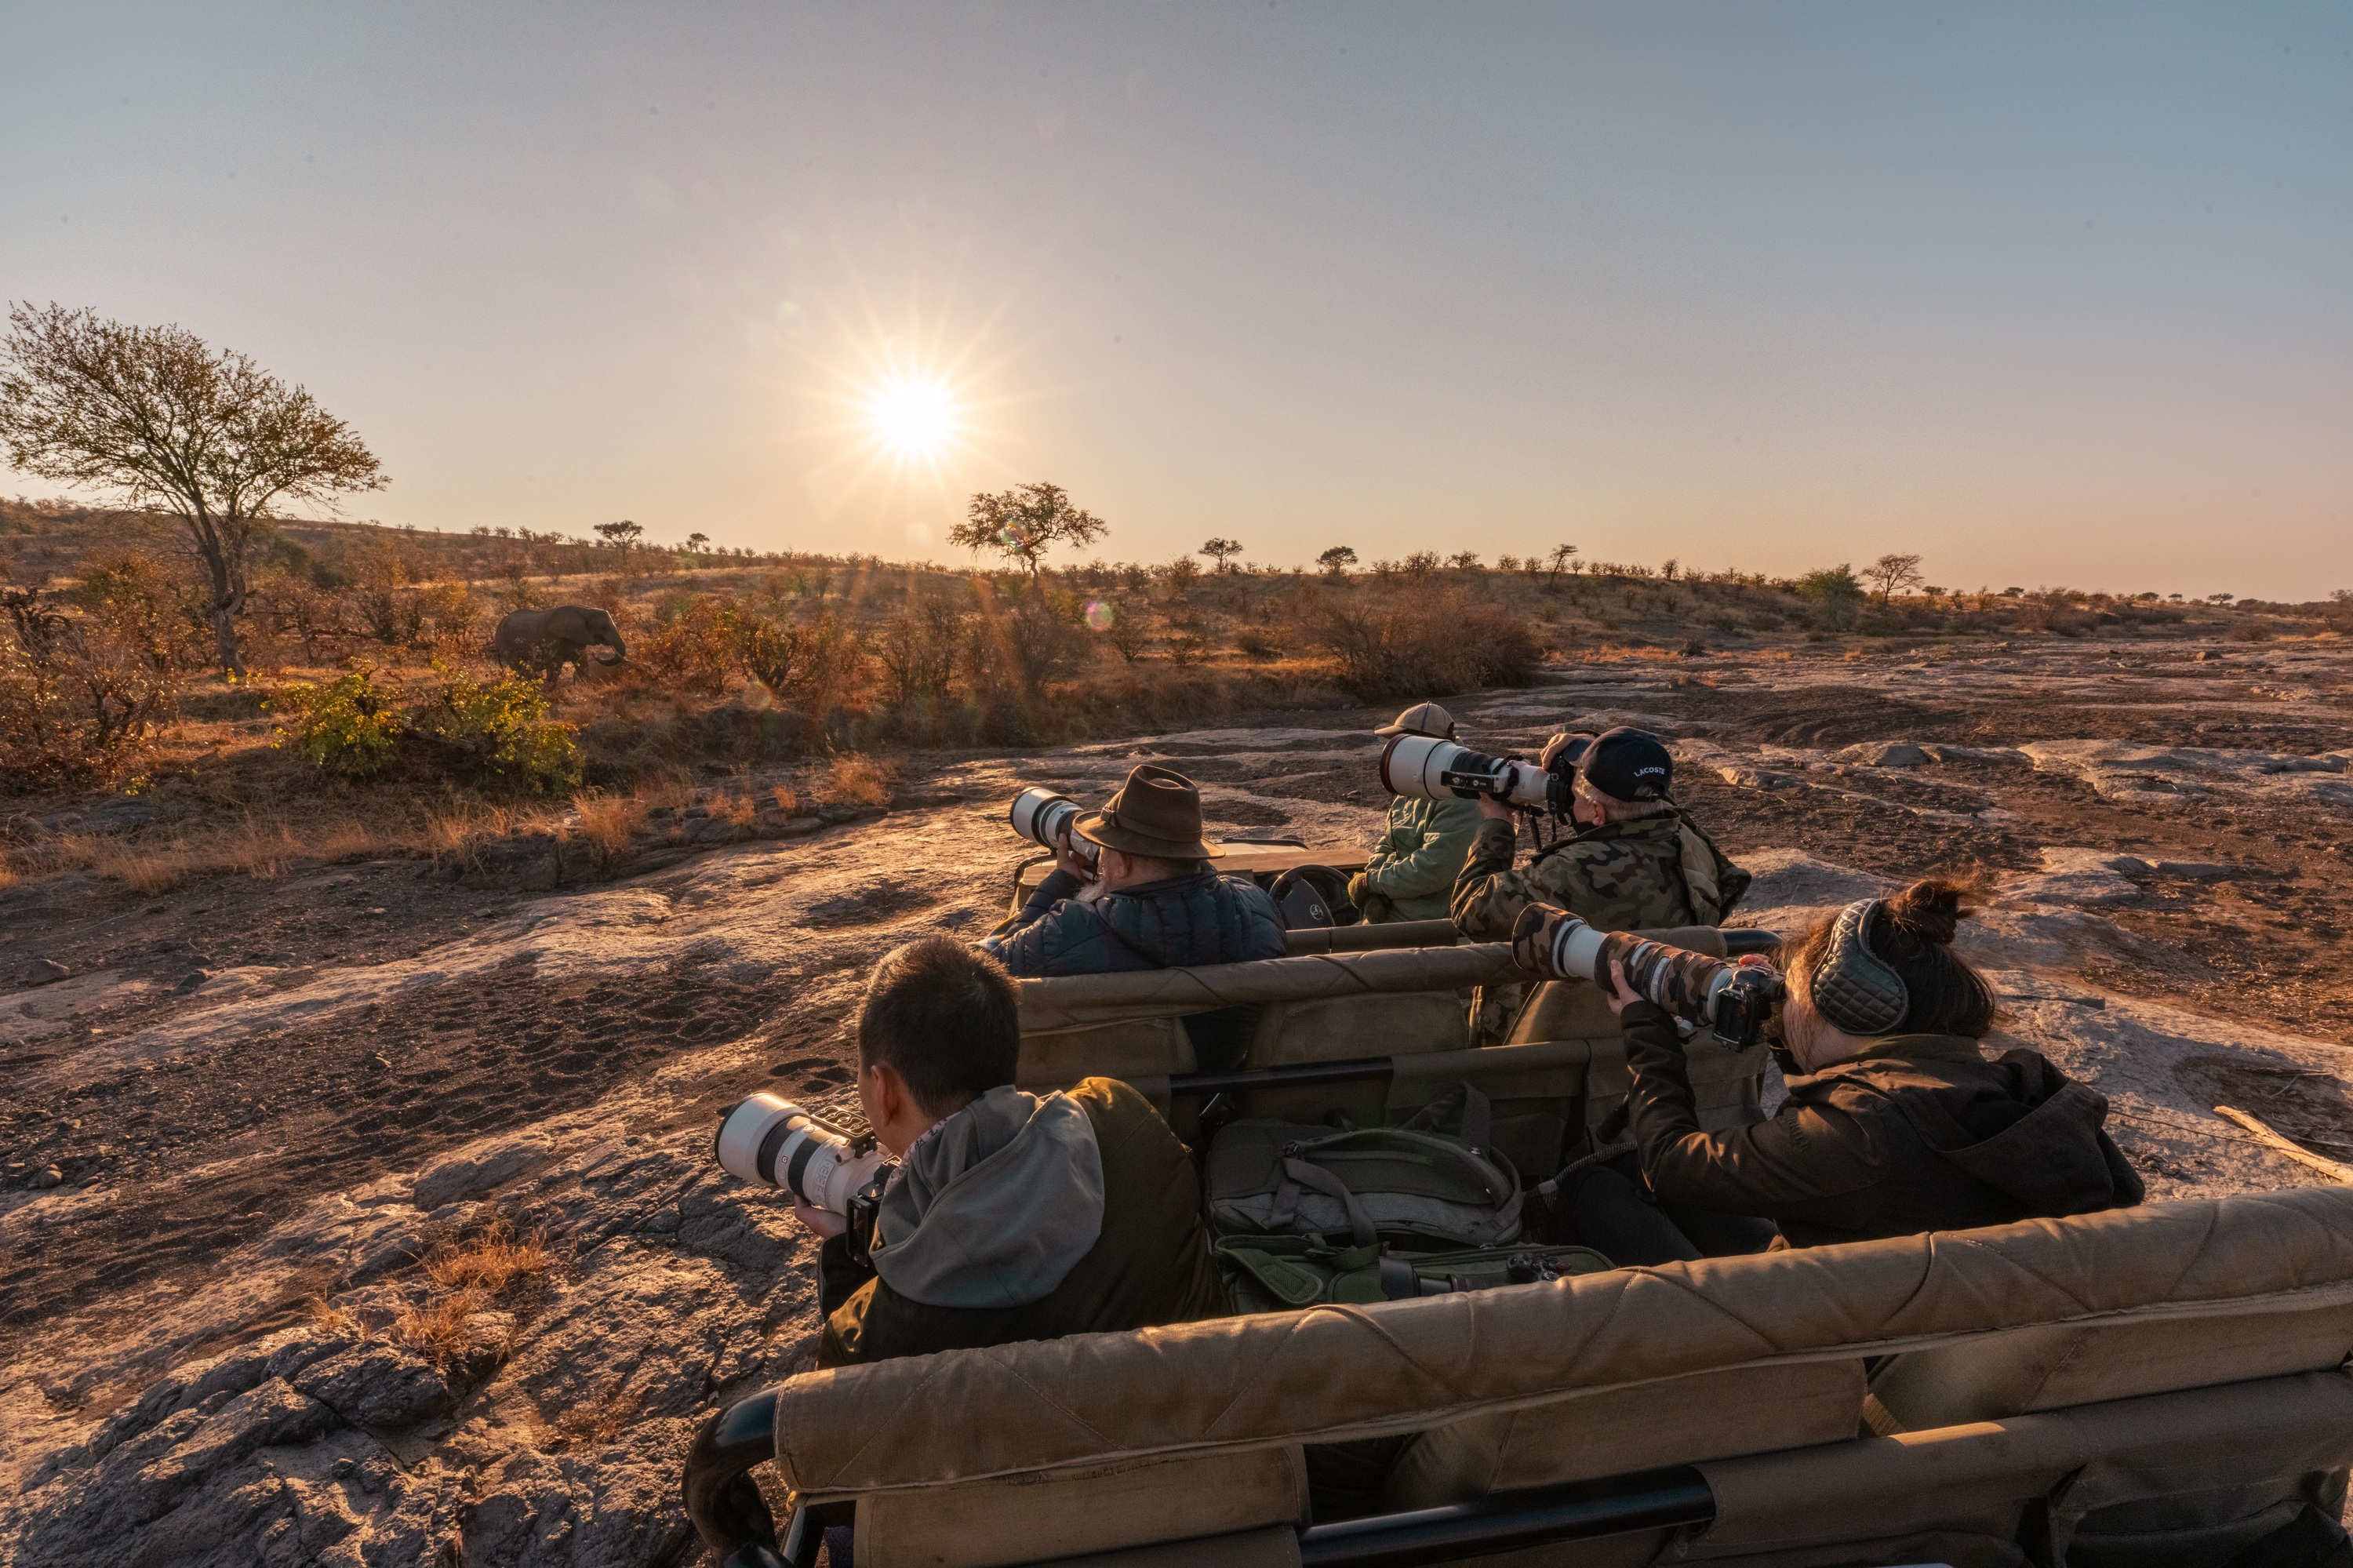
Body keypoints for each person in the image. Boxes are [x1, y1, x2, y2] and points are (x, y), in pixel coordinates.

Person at [1539, 880, 2144, 1261]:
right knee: (1631, 1171)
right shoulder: (2015, 1090)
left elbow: (1671, 1163)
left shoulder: (1858, 1135)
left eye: (1794, 992)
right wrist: (1783, 1030)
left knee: (1596, 1188)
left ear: (1851, 1009)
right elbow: (1851, 1120)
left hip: (1814, 1348)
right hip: (1909, 1312)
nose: (1785, 999)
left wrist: (1645, 1029)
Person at [803, 937, 1231, 1367]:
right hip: (1220, 1384)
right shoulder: (1121, 1114)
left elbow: (848, 1392)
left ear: (884, 1091)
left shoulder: (878, 1333)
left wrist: (849, 1262)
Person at [1451, 725, 1751, 1044]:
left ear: (1596, 812)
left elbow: (1470, 909)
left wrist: (1497, 823)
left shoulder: (1575, 869)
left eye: (1577, 796)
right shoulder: (1690, 842)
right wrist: (1596, 749)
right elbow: (1656, 796)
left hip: (1550, 1040)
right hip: (1652, 1032)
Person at [1347, 702, 1486, 924]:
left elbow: (1433, 868)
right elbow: (1388, 843)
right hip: (1395, 909)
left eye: (1401, 742)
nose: (1394, 750)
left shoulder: (1461, 793)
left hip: (1429, 923)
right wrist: (1374, 891)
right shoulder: (1414, 779)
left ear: (1423, 743)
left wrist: (1372, 883)